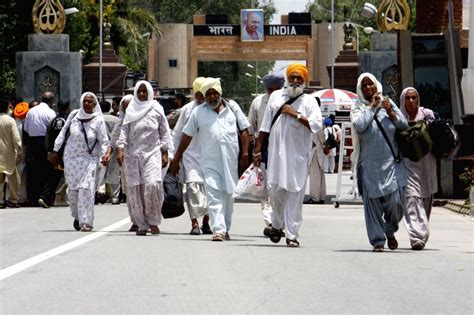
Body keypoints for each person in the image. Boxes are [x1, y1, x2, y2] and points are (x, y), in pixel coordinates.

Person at [171, 78, 250, 241]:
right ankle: (218, 230)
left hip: (230, 161)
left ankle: (226, 227)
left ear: (220, 94)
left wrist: (245, 155)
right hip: (209, 162)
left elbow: (244, 130)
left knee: (229, 195)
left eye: (215, 94)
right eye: (209, 94)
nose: (213, 97)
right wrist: (176, 157)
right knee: (213, 194)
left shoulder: (232, 108)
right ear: (205, 96)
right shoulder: (198, 112)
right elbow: (187, 135)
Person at [253, 64, 323, 247]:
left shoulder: (310, 101)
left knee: (296, 195)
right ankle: (276, 224)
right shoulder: (276, 97)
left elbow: (316, 125)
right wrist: (258, 148)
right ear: (288, 79)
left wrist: (296, 115)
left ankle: (292, 235)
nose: (295, 80)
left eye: (299, 77)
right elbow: (265, 125)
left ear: (304, 80)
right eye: (293, 77)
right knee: (277, 193)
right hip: (277, 157)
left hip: (298, 158)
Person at [351, 73, 408, 252]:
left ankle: (389, 230)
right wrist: (372, 107)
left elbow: (404, 125)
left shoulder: (388, 103)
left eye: (371, 85)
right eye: (365, 86)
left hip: (391, 164)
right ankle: (378, 241)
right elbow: (360, 125)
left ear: (377, 85)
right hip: (369, 166)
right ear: (361, 89)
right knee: (373, 206)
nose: (369, 88)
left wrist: (391, 113)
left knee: (397, 205)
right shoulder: (358, 107)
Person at [116, 81, 172, 236]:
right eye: (139, 91)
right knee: (136, 189)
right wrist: (120, 148)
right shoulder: (131, 110)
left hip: (152, 153)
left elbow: (164, 132)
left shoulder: (157, 109)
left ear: (149, 92)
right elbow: (124, 131)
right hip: (132, 155)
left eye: (144, 91)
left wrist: (165, 151)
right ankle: (141, 223)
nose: (141, 94)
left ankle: (153, 220)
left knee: (152, 185)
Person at [50, 92, 108, 232]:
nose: (87, 104)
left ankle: (86, 221)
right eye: (85, 101)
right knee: (73, 192)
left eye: (90, 102)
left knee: (86, 190)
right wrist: (55, 150)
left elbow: (104, 140)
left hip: (89, 160)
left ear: (95, 104)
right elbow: (63, 132)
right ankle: (77, 216)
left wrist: (104, 155)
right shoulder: (74, 115)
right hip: (71, 159)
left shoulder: (98, 120)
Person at [171, 77, 212, 235]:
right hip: (190, 156)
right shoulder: (187, 110)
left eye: (204, 93)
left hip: (210, 157)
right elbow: (177, 134)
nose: (201, 97)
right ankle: (195, 223)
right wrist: (174, 156)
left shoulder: (215, 109)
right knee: (193, 189)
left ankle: (207, 222)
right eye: (198, 94)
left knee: (210, 190)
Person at [399, 87, 437, 250]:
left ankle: (421, 230)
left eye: (414, 98)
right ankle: (417, 236)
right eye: (408, 98)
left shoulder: (427, 115)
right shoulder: (399, 118)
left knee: (425, 199)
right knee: (411, 198)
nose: (411, 101)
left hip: (426, 164)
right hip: (408, 165)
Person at [247, 73, 285, 236]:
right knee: (265, 188)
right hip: (263, 148)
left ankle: (281, 221)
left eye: (277, 89)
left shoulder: (288, 100)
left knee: (280, 187)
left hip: (284, 148)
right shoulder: (258, 102)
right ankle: (270, 222)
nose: (273, 92)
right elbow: (250, 127)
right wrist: (255, 150)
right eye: (270, 90)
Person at [102, 95, 136, 230]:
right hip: (126, 160)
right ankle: (135, 220)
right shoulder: (120, 122)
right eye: (125, 108)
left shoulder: (146, 117)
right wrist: (108, 153)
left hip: (144, 158)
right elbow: (114, 140)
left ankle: (148, 219)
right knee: (130, 191)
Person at [23, 91, 56, 207]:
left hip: (32, 143)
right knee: (47, 170)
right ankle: (44, 196)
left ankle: (33, 198)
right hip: (45, 142)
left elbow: (26, 128)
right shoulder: (50, 112)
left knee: (33, 171)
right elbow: (53, 129)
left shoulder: (31, 111)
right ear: (51, 101)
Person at [45, 100, 71, 206]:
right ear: (68, 108)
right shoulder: (68, 121)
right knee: (65, 175)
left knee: (53, 175)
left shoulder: (53, 120)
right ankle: (58, 198)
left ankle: (48, 198)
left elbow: (48, 137)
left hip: (53, 152)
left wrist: (49, 151)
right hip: (65, 152)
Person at [97, 100, 120, 204]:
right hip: (115, 147)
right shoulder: (116, 119)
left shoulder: (97, 119)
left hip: (101, 146)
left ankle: (100, 192)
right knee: (114, 172)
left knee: (101, 170)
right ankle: (115, 196)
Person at [0, 98, 22, 208]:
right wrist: (18, 151)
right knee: (13, 179)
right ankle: (13, 200)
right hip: (9, 154)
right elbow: (16, 138)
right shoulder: (10, 120)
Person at [307, 98, 326, 205]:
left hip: (315, 149)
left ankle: (315, 198)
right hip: (319, 149)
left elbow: (320, 134)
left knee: (315, 175)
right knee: (320, 175)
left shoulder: (315, 117)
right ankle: (321, 196)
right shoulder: (319, 116)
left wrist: (323, 144)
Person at [13, 102, 29, 206]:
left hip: (14, 153)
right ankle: (22, 198)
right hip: (22, 153)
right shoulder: (24, 125)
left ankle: (12, 197)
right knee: (22, 177)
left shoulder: (14, 123)